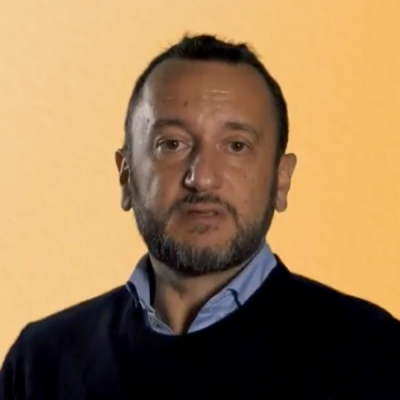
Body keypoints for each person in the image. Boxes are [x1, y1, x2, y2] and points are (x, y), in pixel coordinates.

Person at [1, 34, 399, 400]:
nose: (202, 177)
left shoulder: (372, 355)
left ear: (281, 179)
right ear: (126, 176)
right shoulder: (40, 364)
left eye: (237, 146)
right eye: (172, 144)